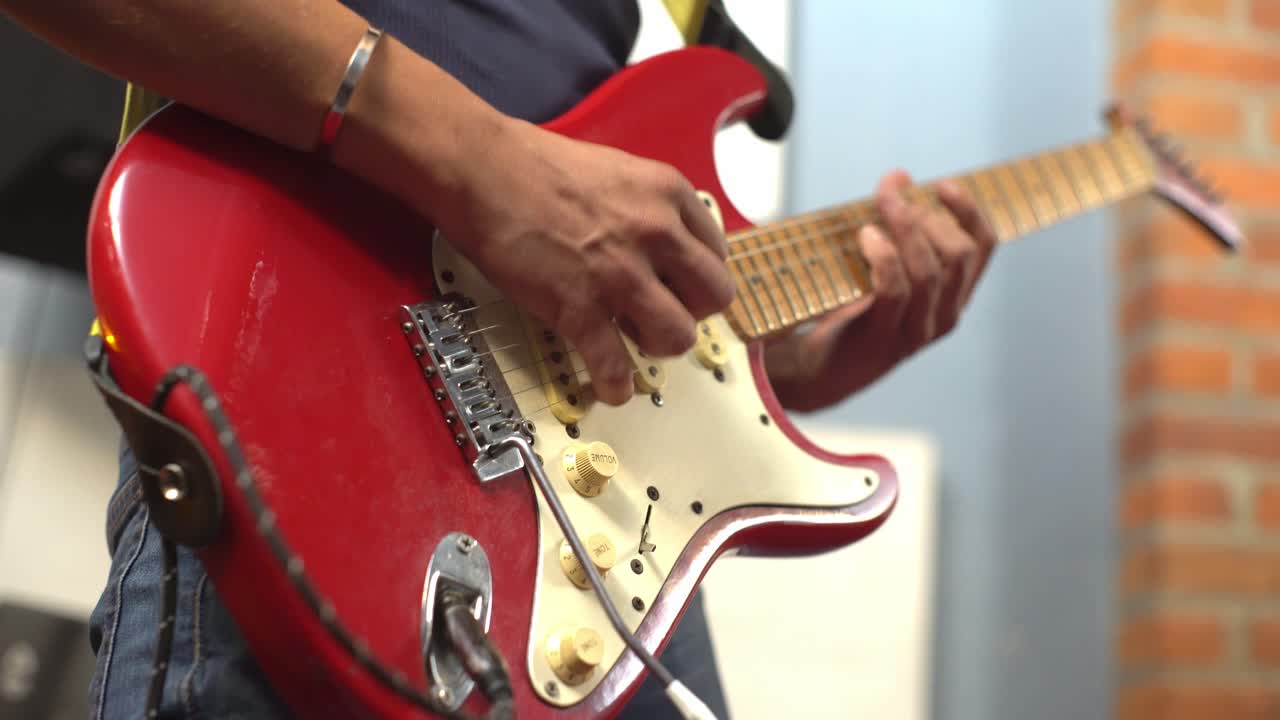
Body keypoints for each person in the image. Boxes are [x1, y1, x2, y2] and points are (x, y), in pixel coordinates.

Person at [0, 1, 996, 717]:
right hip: (316, 417)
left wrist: (813, 365)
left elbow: (588, 283)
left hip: (596, 559)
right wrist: (485, 167)